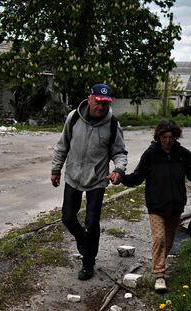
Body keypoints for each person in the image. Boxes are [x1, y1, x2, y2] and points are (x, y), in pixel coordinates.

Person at [121, 119, 191, 291]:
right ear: (158, 137)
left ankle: (159, 261)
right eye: (164, 137)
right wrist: (121, 178)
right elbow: (137, 177)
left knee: (169, 240)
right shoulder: (150, 155)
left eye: (171, 137)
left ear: (176, 137)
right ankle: (159, 276)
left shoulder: (183, 154)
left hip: (176, 206)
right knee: (159, 238)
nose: (168, 140)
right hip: (156, 206)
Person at [51, 83, 128, 280]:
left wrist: (119, 170)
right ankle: (81, 238)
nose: (101, 107)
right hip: (73, 176)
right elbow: (62, 146)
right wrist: (56, 169)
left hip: (97, 179)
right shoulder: (74, 117)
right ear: (90, 98)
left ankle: (88, 263)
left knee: (92, 223)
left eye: (105, 103)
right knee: (68, 217)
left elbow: (119, 152)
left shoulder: (112, 125)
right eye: (98, 101)